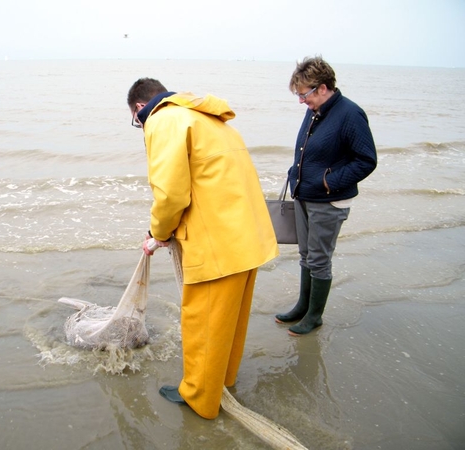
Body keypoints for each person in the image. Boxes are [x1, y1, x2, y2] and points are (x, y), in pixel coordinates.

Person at [127, 78, 279, 419]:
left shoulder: (163, 119)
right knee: (229, 320)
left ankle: (200, 397)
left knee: (203, 321)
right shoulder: (208, 118)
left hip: (217, 243)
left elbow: (171, 193)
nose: (141, 126)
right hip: (247, 236)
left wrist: (158, 231)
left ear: (140, 109)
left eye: (137, 121)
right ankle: (222, 380)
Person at [275, 56, 377, 336]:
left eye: (303, 94)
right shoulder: (315, 109)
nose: (300, 101)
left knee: (319, 259)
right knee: (306, 255)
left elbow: (366, 160)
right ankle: (302, 307)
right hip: (304, 196)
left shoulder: (350, 114)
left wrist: (328, 182)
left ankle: (314, 316)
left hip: (329, 201)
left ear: (322, 88)